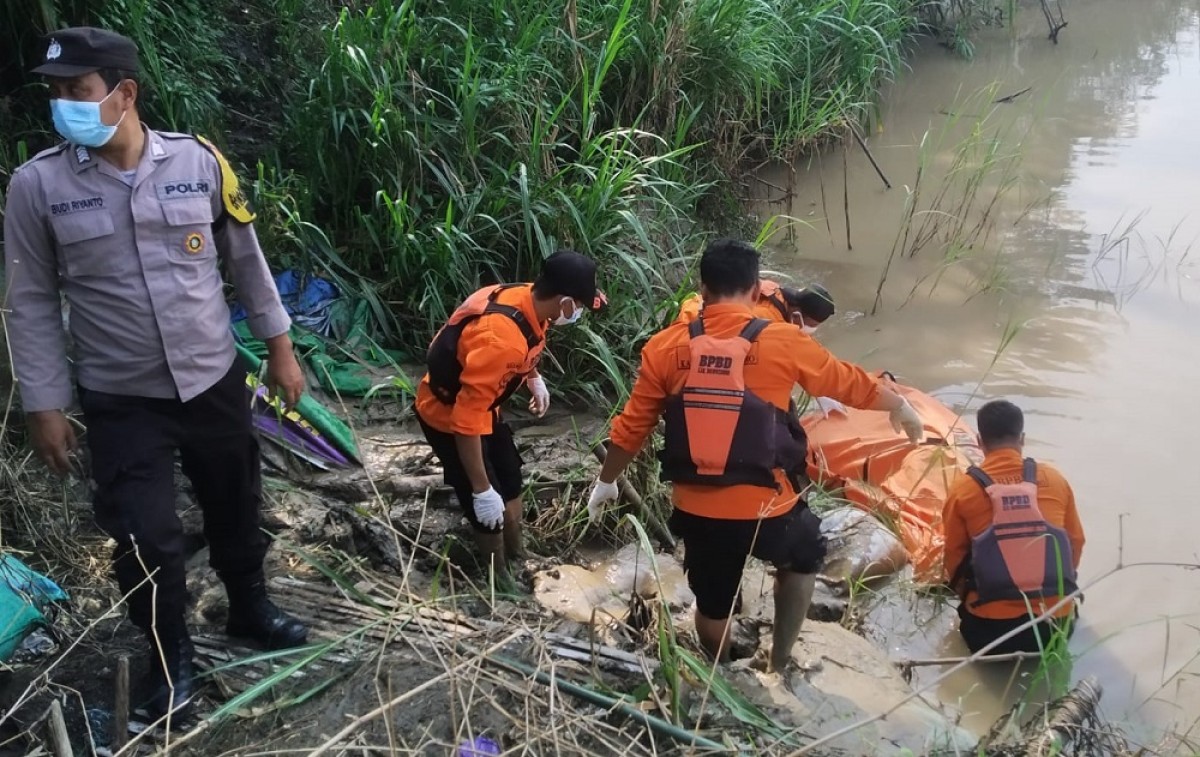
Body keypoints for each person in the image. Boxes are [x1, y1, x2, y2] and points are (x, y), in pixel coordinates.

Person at [3, 27, 308, 720]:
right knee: (143, 534)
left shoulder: (200, 164)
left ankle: (251, 607)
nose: (62, 105)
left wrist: (281, 348)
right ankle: (170, 660)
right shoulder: (38, 186)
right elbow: (27, 303)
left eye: (76, 90)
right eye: (54, 92)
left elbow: (247, 262)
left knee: (235, 501)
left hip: (213, 379)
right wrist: (43, 403)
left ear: (125, 92)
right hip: (121, 397)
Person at [586, 239, 923, 671]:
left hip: (698, 508)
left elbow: (631, 428)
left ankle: (719, 673)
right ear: (754, 289)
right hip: (770, 505)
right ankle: (779, 662)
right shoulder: (783, 339)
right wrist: (899, 404)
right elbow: (846, 383)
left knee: (712, 603)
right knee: (804, 555)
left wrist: (608, 480)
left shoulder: (664, 347)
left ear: (702, 289)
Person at [415, 251, 605, 587]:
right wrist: (480, 488)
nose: (578, 313)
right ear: (563, 303)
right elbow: (464, 421)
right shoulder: (500, 340)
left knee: (510, 476)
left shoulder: (527, 299)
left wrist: (531, 376)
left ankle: (519, 553)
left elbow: (524, 341)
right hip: (448, 416)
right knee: (485, 502)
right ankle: (498, 575)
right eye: (579, 306)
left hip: (485, 409)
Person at [943, 400, 1085, 655]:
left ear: (979, 441)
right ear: (1022, 438)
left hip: (990, 632)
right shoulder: (1055, 479)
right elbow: (1076, 542)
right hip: (1056, 624)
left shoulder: (962, 489)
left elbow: (954, 559)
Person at [676, 279, 836, 333]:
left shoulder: (774, 291)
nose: (811, 330)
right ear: (797, 314)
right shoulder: (769, 322)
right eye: (811, 325)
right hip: (690, 327)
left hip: (693, 306)